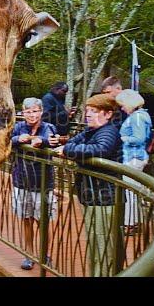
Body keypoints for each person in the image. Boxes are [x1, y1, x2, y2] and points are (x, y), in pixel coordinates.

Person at [52, 94, 122, 277]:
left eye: (94, 111)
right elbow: (74, 141)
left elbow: (99, 150)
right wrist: (69, 147)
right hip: (93, 196)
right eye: (88, 111)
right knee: (96, 243)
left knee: (102, 245)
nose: (88, 115)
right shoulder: (92, 130)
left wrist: (67, 150)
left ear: (107, 114)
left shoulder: (108, 131)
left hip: (104, 197)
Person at [10, 98, 58, 271]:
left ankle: (45, 253)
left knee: (43, 221)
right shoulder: (18, 127)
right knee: (26, 219)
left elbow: (53, 141)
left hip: (43, 182)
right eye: (28, 111)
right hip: (22, 181)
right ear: (23, 113)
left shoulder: (49, 128)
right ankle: (28, 254)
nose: (32, 115)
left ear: (41, 112)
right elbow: (7, 141)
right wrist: (18, 139)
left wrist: (41, 142)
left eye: (35, 111)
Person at [115, 89, 153, 235]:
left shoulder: (137, 117)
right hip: (136, 156)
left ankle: (130, 224)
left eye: (122, 104)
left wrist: (122, 139)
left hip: (133, 157)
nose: (122, 108)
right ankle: (135, 222)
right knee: (133, 190)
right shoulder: (142, 115)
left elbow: (139, 138)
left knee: (130, 191)